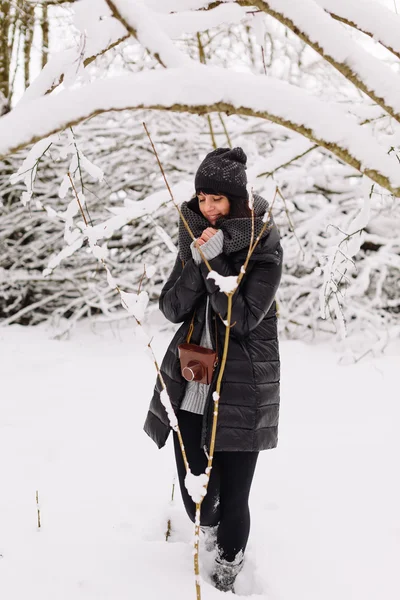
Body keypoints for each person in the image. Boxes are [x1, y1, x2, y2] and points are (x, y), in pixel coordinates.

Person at [144, 147, 283, 593]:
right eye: (202, 198)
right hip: (192, 382)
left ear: (237, 201)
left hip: (242, 388)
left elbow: (241, 318)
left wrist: (219, 263)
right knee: (199, 500)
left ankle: (227, 569)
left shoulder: (263, 248)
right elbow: (170, 307)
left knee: (234, 495)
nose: (207, 208)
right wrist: (198, 261)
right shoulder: (194, 239)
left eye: (217, 199)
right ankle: (208, 526)